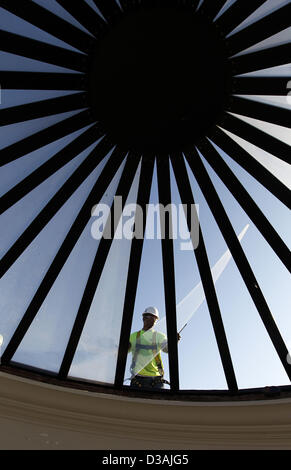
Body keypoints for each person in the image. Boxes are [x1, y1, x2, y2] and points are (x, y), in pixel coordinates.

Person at [128, 306, 180, 390]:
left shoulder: (160, 336)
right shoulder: (133, 336)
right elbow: (122, 351)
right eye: (149, 316)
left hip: (156, 380)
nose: (152, 319)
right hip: (137, 380)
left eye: (154, 317)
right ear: (144, 318)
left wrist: (174, 342)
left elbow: (167, 350)